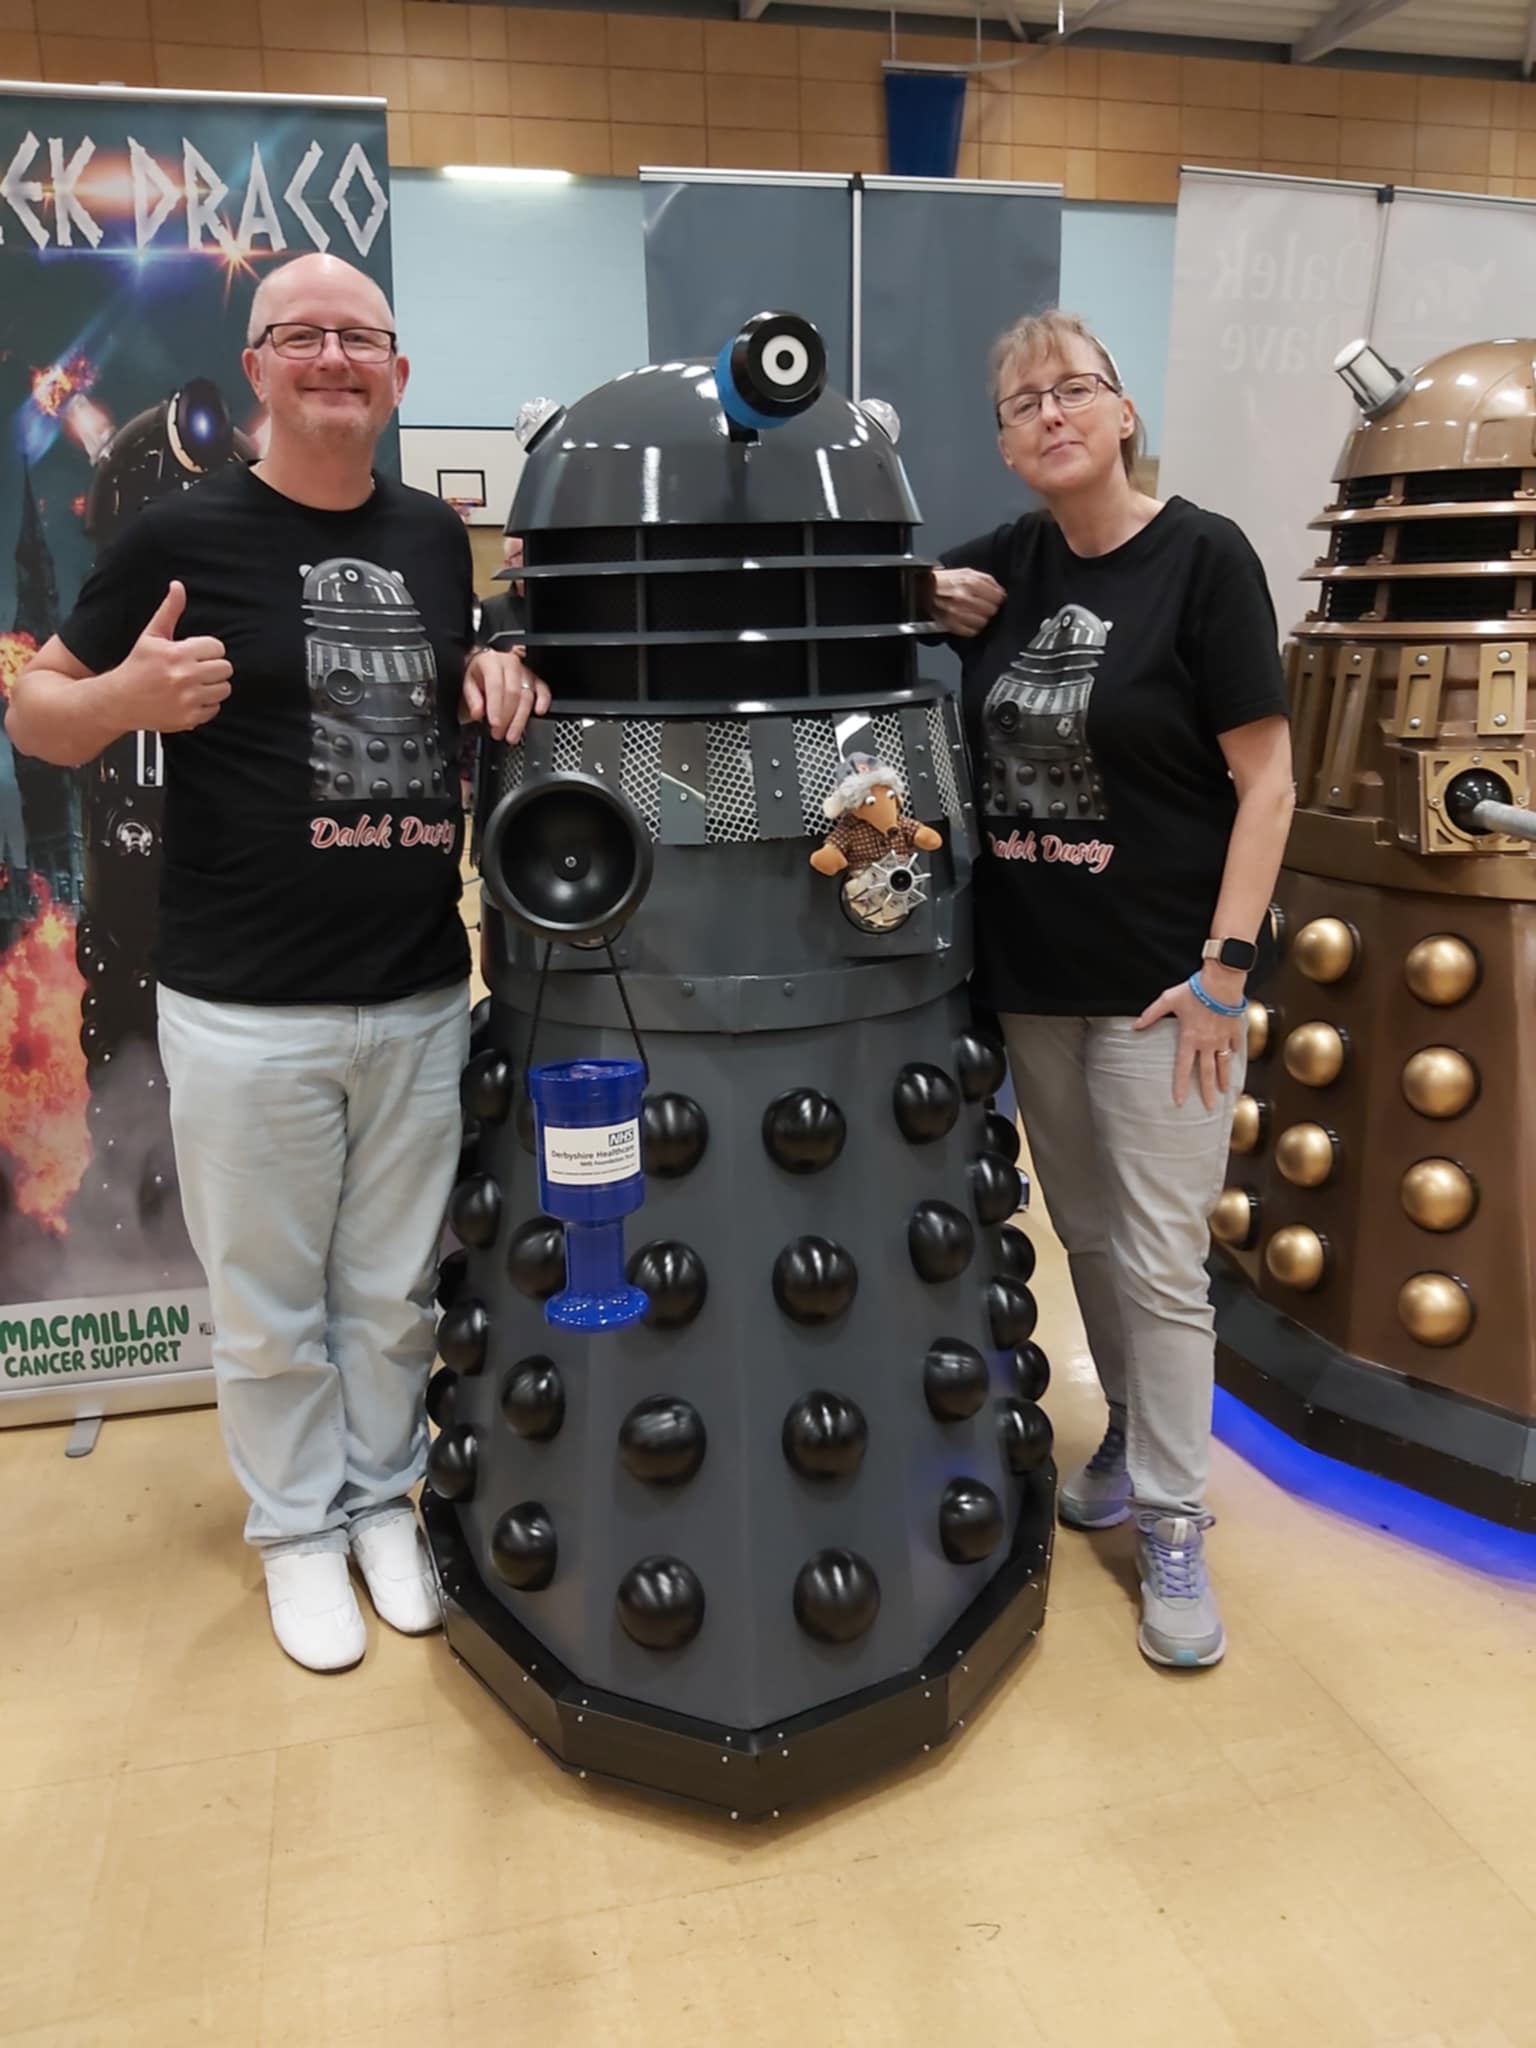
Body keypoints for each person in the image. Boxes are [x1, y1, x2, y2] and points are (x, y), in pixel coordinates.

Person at [5, 253, 551, 1674]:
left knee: (390, 1293)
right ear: (256, 370)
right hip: (245, 1007)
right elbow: (39, 716)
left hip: (424, 990)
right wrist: (125, 695)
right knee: (264, 1304)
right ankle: (296, 1530)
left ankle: (381, 1505)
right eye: (299, 335)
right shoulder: (179, 535)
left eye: (359, 336)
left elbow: (469, 676)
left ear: (398, 374)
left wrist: (495, 673)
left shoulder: (438, 538)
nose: (331, 356)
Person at [930, 309, 1294, 1670]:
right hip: (1034, 985)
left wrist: (1224, 972)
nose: (1050, 415)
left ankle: (1178, 1521)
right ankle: (1132, 1435)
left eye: (1073, 389)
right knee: (1088, 1238)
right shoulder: (1004, 569)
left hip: (1164, 992)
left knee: (1161, 1261)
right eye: (1023, 403)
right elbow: (846, 596)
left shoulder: (1202, 559)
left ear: (1123, 410)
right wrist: (922, 597)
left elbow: (1269, 781)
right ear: (1009, 442)